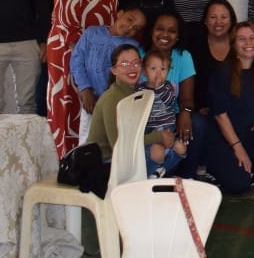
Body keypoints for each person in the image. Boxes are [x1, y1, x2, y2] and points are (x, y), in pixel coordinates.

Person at [45, 0, 121, 156]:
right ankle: (67, 161)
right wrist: (79, 51)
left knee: (91, 106)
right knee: (69, 102)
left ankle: (90, 160)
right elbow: (65, 8)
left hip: (99, 48)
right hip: (71, 46)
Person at [200, 21, 254, 194]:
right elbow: (220, 115)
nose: (248, 43)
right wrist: (238, 148)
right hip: (222, 139)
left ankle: (240, 169)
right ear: (234, 44)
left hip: (246, 135)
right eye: (242, 39)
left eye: (252, 38)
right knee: (241, 185)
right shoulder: (223, 71)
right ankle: (217, 170)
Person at [70, 7, 147, 116]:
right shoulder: (92, 33)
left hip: (115, 103)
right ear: (120, 13)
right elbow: (76, 61)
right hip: (89, 100)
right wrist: (85, 88)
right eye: (130, 20)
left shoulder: (133, 46)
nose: (130, 28)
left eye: (136, 28)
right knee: (88, 127)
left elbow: (134, 76)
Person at [146, 11, 198, 159]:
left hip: (170, 117)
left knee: (197, 124)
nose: (165, 34)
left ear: (178, 36)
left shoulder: (183, 56)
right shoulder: (139, 54)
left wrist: (185, 113)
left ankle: (184, 171)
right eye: (160, 29)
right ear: (151, 31)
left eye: (172, 31)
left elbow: (187, 99)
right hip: (143, 117)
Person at [85, 44, 151, 159]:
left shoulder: (135, 92)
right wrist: (158, 137)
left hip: (125, 155)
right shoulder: (111, 98)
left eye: (136, 63)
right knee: (157, 152)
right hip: (106, 161)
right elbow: (119, 146)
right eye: (125, 64)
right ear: (114, 70)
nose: (132, 68)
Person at [140, 50, 187, 178]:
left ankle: (161, 170)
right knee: (158, 152)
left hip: (168, 129)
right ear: (144, 71)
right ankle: (151, 172)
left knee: (181, 148)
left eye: (163, 69)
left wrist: (159, 87)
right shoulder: (140, 90)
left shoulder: (168, 87)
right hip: (151, 132)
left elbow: (170, 101)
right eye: (153, 69)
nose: (158, 73)